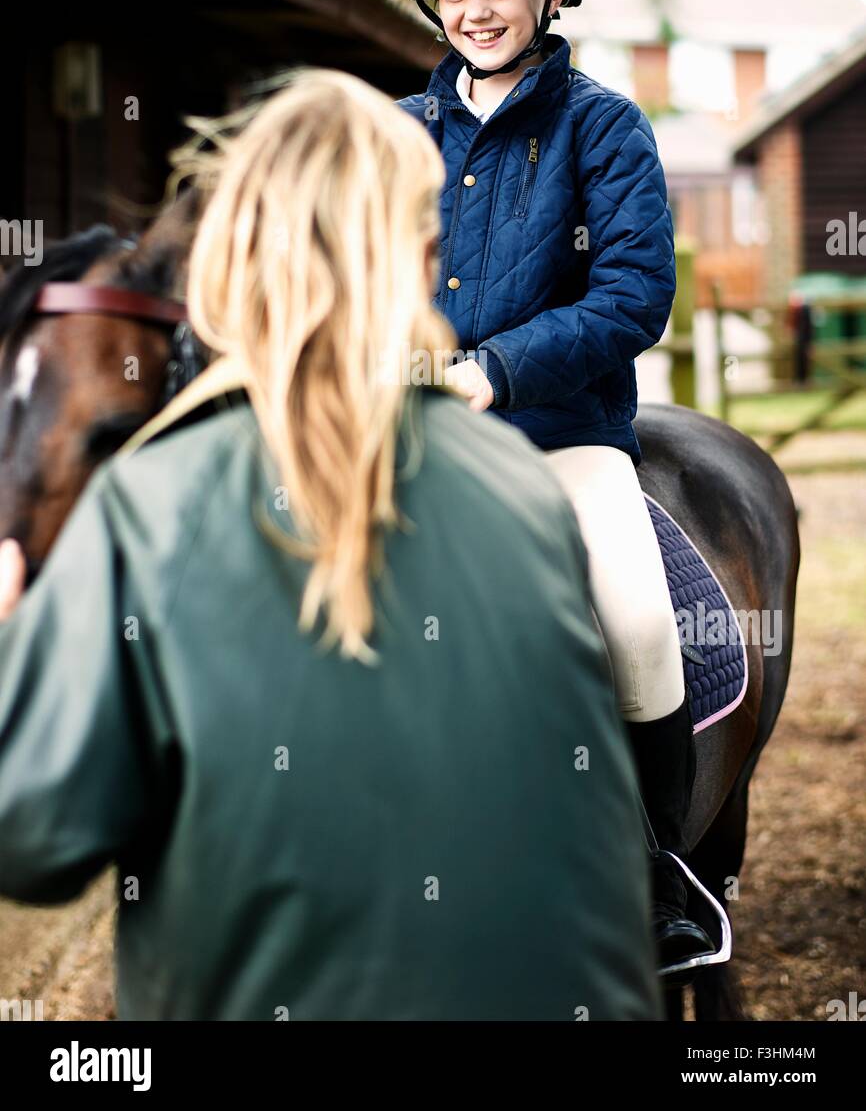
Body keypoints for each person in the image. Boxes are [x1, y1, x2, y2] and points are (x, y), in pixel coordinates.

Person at [0, 69, 662, 1021]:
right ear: (428, 257)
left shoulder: (148, 508)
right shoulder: (523, 490)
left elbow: (34, 846)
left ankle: (682, 872)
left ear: (228, 262)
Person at [398, 0, 714, 968]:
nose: (474, 8)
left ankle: (659, 871)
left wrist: (494, 372)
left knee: (632, 620)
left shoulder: (603, 127)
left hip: (562, 434)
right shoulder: (392, 131)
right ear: (429, 2)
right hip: (412, 438)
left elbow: (632, 294)